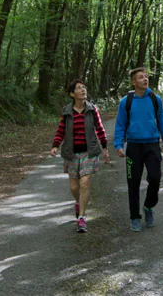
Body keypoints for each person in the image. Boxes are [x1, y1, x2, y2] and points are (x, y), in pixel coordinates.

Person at [113, 67, 163, 232]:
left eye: (146, 77)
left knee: (156, 178)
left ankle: (148, 206)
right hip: (133, 147)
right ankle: (134, 217)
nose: (145, 79)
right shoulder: (126, 101)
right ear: (133, 82)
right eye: (141, 77)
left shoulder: (155, 99)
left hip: (152, 145)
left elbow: (162, 122)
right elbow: (120, 125)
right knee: (133, 183)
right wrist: (118, 145)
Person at [50, 79, 110, 233]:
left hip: (89, 153)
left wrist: (105, 147)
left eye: (84, 87)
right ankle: (79, 203)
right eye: (79, 88)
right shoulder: (67, 111)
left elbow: (100, 129)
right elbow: (61, 130)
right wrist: (55, 146)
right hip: (71, 153)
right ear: (72, 94)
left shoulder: (92, 109)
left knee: (85, 183)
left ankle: (81, 218)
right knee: (74, 187)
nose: (83, 90)